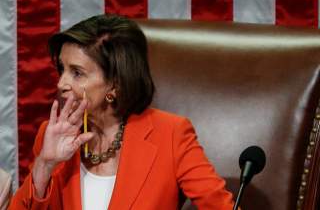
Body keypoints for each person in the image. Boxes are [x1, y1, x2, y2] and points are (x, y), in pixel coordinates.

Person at [9, 14, 234, 210]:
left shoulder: (171, 134)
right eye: (62, 69)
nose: (61, 83)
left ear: (115, 84)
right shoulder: (51, 135)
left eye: (77, 73)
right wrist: (45, 164)